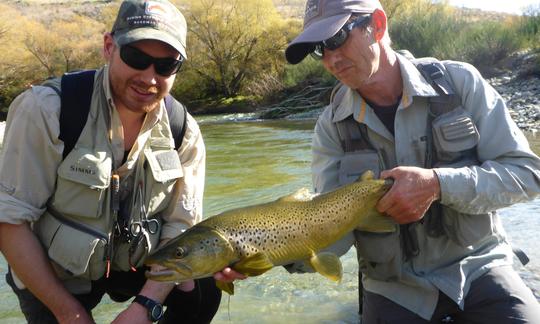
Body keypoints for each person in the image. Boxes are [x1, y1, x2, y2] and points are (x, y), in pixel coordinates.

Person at [285, 0, 540, 322]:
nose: (331, 58)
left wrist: (438, 185)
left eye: (336, 38)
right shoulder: (330, 127)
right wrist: (268, 256)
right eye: (319, 49)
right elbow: (332, 227)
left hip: (478, 266)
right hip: (393, 288)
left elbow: (527, 174)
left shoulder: (460, 84)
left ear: (377, 25)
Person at [0, 0, 239, 323]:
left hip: (137, 262)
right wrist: (71, 315)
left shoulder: (185, 130)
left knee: (203, 286)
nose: (149, 77)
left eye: (165, 66)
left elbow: (181, 225)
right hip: (58, 271)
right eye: (137, 58)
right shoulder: (46, 110)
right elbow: (10, 222)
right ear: (109, 47)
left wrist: (145, 306)